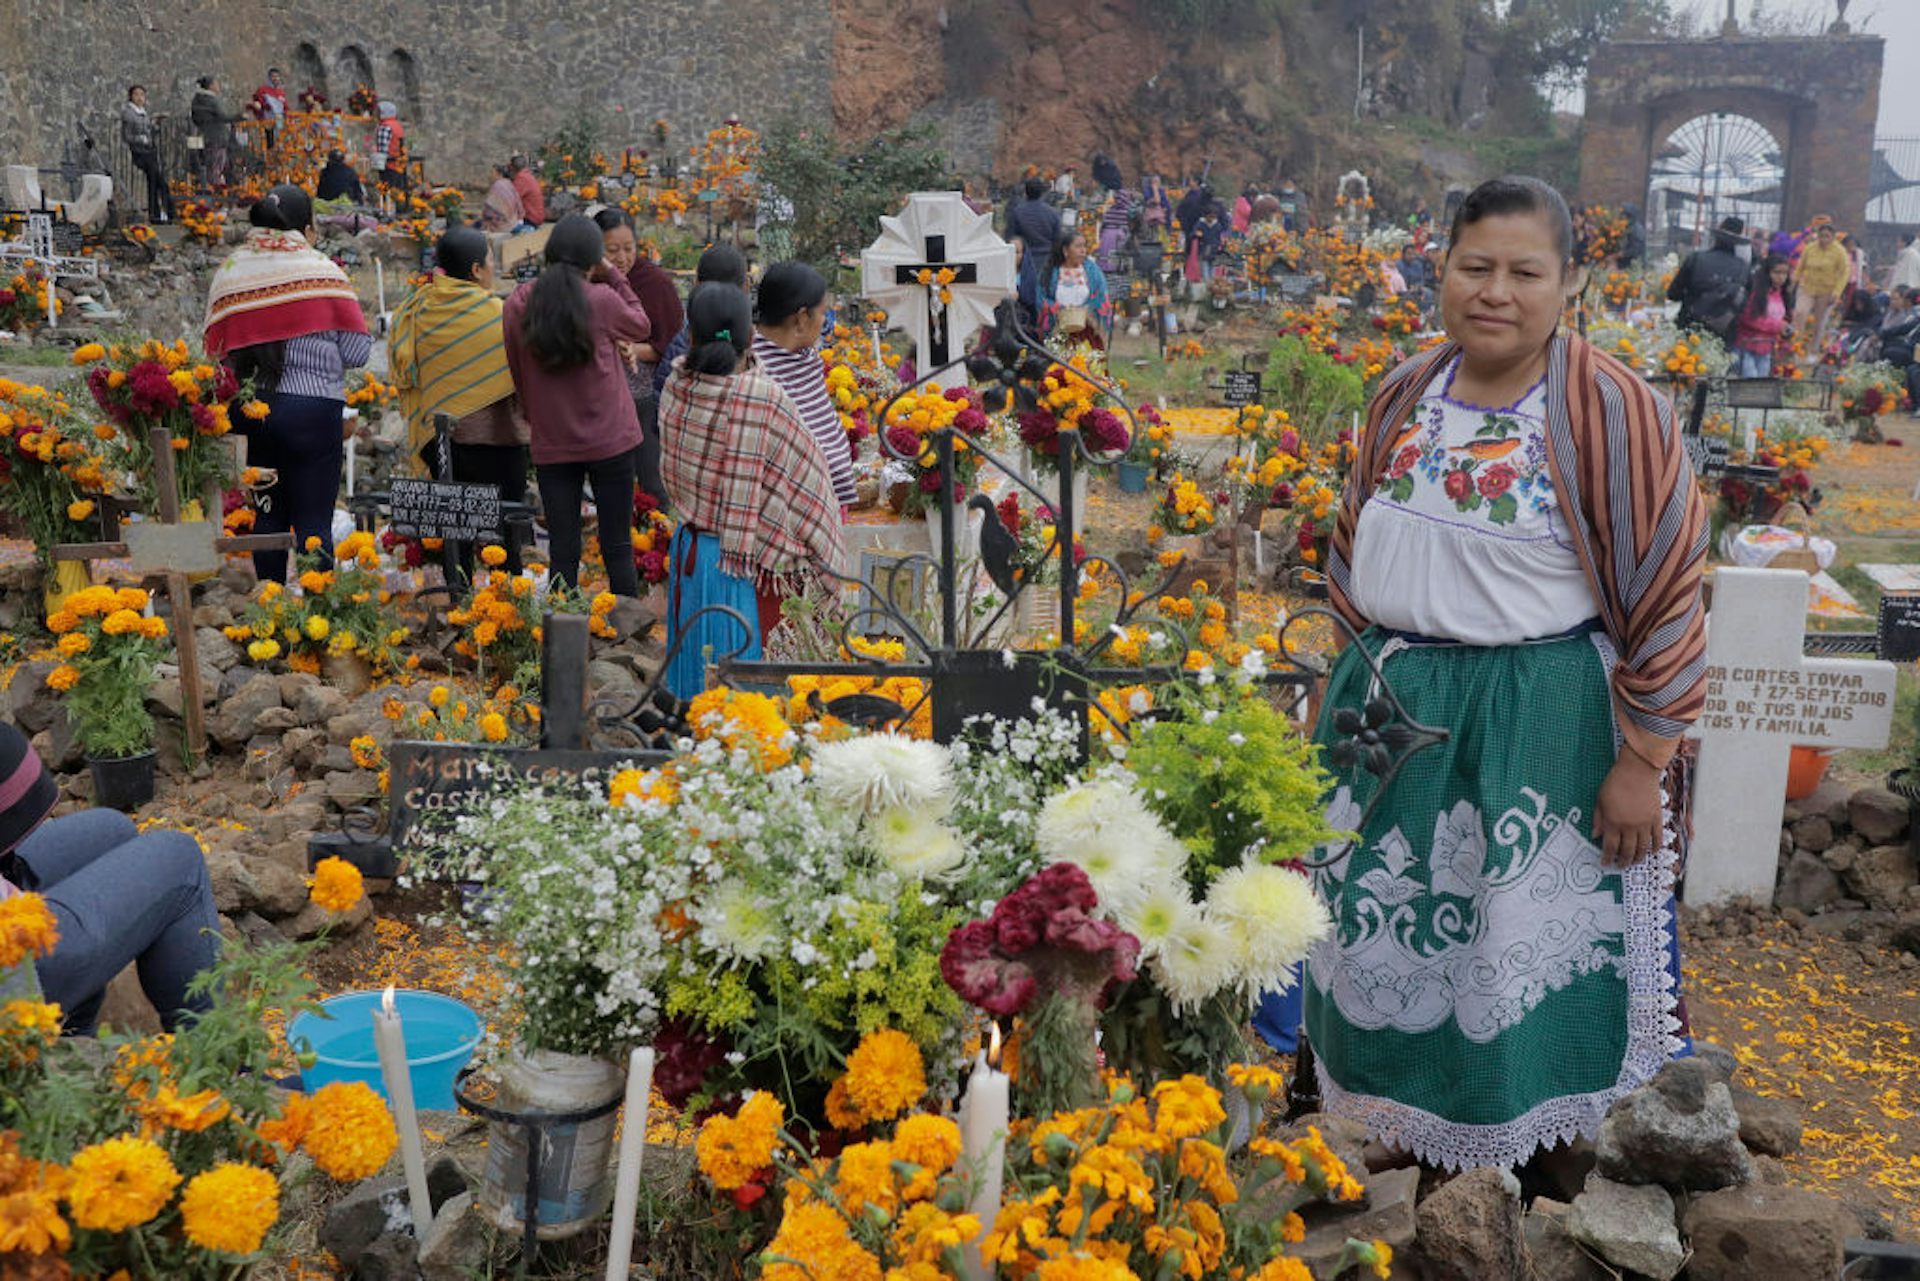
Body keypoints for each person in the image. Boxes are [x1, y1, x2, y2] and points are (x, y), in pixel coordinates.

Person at [1302, 175, 1706, 1174]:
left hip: (1540, 720)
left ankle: (1529, 1159)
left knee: (1513, 943)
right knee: (1387, 927)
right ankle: (1390, 1134)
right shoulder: (1406, 391)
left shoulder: (1610, 411)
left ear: (1568, 283)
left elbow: (1666, 585)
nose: (1496, 291)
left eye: (1525, 272)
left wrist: (1642, 759)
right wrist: (1335, 682)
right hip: (1389, 711)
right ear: (1441, 269)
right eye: (1474, 266)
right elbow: (1356, 547)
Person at [659, 283, 845, 699]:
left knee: (698, 688)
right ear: (750, 337)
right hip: (749, 567)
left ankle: (693, 747)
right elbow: (809, 489)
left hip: (694, 556)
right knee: (750, 702)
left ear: (690, 336)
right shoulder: (766, 399)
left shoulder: (675, 386)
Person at [0, 726, 220, 1037]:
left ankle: (73, 1037)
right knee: (180, 859)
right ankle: (217, 1063)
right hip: (8, 971)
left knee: (112, 830)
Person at [205, 184, 371, 582]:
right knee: (313, 519)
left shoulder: (232, 271)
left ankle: (270, 607)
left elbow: (216, 347)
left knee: (268, 515)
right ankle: (316, 615)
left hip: (250, 408)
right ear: (308, 226)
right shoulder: (321, 270)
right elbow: (357, 352)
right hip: (312, 412)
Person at [502, 213, 651, 596]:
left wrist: (535, 415)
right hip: (612, 437)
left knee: (563, 549)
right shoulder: (601, 299)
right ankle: (625, 633)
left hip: (553, 440)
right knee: (617, 545)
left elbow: (518, 369)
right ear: (593, 258)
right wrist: (613, 275)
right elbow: (641, 325)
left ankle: (560, 635)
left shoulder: (519, 302)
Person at [390, 226, 529, 577]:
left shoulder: (421, 309)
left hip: (443, 444)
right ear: (476, 271)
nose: (494, 267)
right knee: (506, 531)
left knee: (455, 533)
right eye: (490, 260)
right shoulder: (498, 313)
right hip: (499, 442)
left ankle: (457, 603)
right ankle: (510, 610)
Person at [594, 207, 685, 509]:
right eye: (612, 250)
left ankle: (655, 520)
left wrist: (632, 349)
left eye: (628, 249)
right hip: (596, 391)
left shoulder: (653, 283)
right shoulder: (589, 281)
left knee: (648, 470)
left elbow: (669, 344)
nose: (622, 258)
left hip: (641, 391)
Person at [751, 262, 857, 509]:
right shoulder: (756, 371)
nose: (825, 321)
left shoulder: (805, 359)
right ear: (801, 318)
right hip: (792, 513)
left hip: (829, 502)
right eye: (822, 313)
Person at [653, 244, 749, 398]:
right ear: (746, 286)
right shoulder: (757, 367)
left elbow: (660, 398)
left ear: (696, 283)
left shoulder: (679, 348)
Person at [1666, 215, 1749, 346]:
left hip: (1689, 326)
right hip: (1723, 333)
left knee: (1684, 361)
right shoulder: (1743, 268)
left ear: (1716, 236)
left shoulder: (1696, 259)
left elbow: (1673, 294)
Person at [1040, 231, 1111, 348]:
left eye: (1084, 246)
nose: (1083, 250)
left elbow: (1101, 295)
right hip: (1059, 330)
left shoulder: (1092, 271)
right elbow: (1042, 297)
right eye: (1078, 246)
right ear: (1065, 251)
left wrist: (1086, 311)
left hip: (1086, 330)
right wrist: (1059, 310)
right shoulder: (1050, 272)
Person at [1007, 177, 1063, 326]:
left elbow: (1010, 238)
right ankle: (1045, 325)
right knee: (1044, 295)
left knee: (1026, 297)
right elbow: (1058, 240)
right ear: (1043, 193)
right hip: (1046, 260)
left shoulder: (1017, 212)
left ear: (1025, 192)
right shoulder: (1052, 213)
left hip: (1024, 261)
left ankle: (1027, 326)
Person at [1732, 254, 1794, 379]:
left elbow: (1783, 321)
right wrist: (1777, 326)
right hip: (1746, 346)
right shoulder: (1755, 292)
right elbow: (1747, 318)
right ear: (1767, 272)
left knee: (1760, 388)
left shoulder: (1782, 295)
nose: (1781, 277)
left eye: (1785, 273)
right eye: (1777, 272)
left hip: (1766, 350)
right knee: (1750, 386)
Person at [1794, 221, 1851, 353]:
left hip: (1827, 291)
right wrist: (1795, 279)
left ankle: (1812, 350)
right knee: (1800, 313)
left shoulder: (1840, 251)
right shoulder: (1810, 248)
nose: (1824, 239)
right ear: (1817, 236)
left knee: (1819, 323)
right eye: (1821, 236)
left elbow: (1844, 273)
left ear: (1833, 237)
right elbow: (1800, 265)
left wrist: (1836, 293)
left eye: (1827, 236)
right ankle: (1795, 345)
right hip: (1807, 287)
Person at [120, 85, 173, 225]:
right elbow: (127, 136)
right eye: (136, 94)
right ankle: (158, 214)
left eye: (142, 95)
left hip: (149, 151)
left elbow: (149, 131)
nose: (140, 97)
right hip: (139, 152)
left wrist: (156, 124)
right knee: (156, 180)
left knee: (158, 181)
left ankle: (163, 213)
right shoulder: (129, 113)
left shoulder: (143, 113)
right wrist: (141, 139)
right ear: (131, 96)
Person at [189, 75, 237, 191]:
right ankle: (214, 195)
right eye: (216, 83)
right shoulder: (211, 100)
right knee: (215, 167)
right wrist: (240, 116)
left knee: (213, 166)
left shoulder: (197, 100)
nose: (218, 86)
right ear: (211, 86)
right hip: (216, 138)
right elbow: (223, 116)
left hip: (205, 137)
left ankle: (216, 191)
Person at [372, 102, 407, 193]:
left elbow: (383, 149)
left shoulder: (385, 126)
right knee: (399, 193)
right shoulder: (397, 125)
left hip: (389, 166)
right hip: (399, 164)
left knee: (388, 192)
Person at [252, 67, 287, 149]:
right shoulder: (263, 90)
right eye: (273, 76)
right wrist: (260, 106)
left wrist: (287, 114)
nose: (276, 78)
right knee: (270, 145)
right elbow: (257, 102)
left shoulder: (281, 92)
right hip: (268, 121)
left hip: (280, 122)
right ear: (269, 78)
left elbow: (285, 107)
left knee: (281, 143)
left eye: (277, 76)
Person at [510, 155, 546, 227]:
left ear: (512, 167)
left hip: (530, 220)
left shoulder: (521, 178)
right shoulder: (528, 176)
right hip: (537, 217)